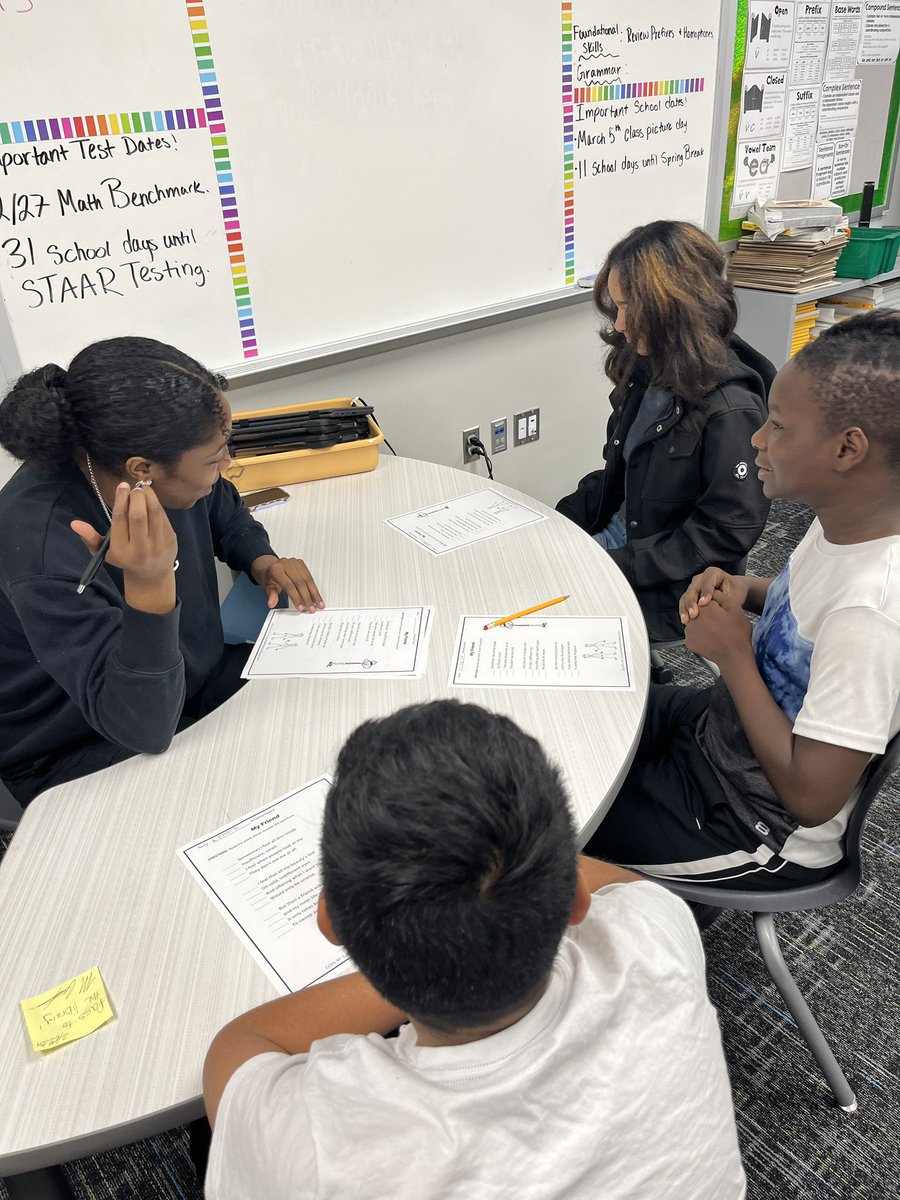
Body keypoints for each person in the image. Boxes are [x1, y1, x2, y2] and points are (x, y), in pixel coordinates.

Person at [202, 700, 746, 1199]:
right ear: (573, 899)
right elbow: (611, 885)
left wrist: (419, 956)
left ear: (331, 924)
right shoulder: (659, 930)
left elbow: (242, 1044)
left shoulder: (316, 1145)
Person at [587, 310, 900, 889]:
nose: (756, 438)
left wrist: (733, 656)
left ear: (848, 449)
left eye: (777, 426)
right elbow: (800, 607)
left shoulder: (872, 616)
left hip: (751, 821)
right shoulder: (842, 521)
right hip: (719, 729)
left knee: (542, 822)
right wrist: (744, 589)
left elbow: (810, 797)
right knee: (582, 719)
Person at [0, 336, 324, 805]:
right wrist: (148, 585)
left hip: (190, 684)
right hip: (83, 747)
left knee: (315, 713)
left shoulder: (148, 468)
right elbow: (141, 726)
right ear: (142, 469)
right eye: (215, 459)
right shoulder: (41, 545)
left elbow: (222, 508)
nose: (227, 465)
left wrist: (262, 560)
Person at [557, 220, 772, 642]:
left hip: (668, 582)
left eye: (627, 308)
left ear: (671, 306)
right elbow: (622, 475)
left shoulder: (730, 408)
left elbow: (727, 529)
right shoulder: (649, 369)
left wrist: (624, 563)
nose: (619, 324)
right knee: (521, 561)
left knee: (538, 604)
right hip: (627, 540)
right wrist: (555, 520)